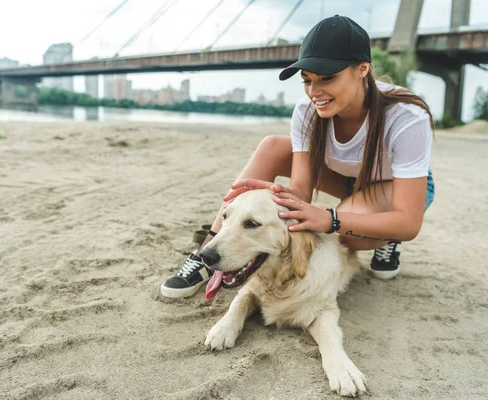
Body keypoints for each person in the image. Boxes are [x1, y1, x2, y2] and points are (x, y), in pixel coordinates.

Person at [160, 15, 435, 299]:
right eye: (307, 80)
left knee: (347, 232)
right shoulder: (307, 109)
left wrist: (330, 218)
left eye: (328, 78)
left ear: (362, 69)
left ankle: (385, 240)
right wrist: (273, 196)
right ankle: (209, 248)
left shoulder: (407, 117)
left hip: (396, 189)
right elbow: (302, 190)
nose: (315, 92)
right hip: (345, 180)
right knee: (273, 146)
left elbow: (408, 221)